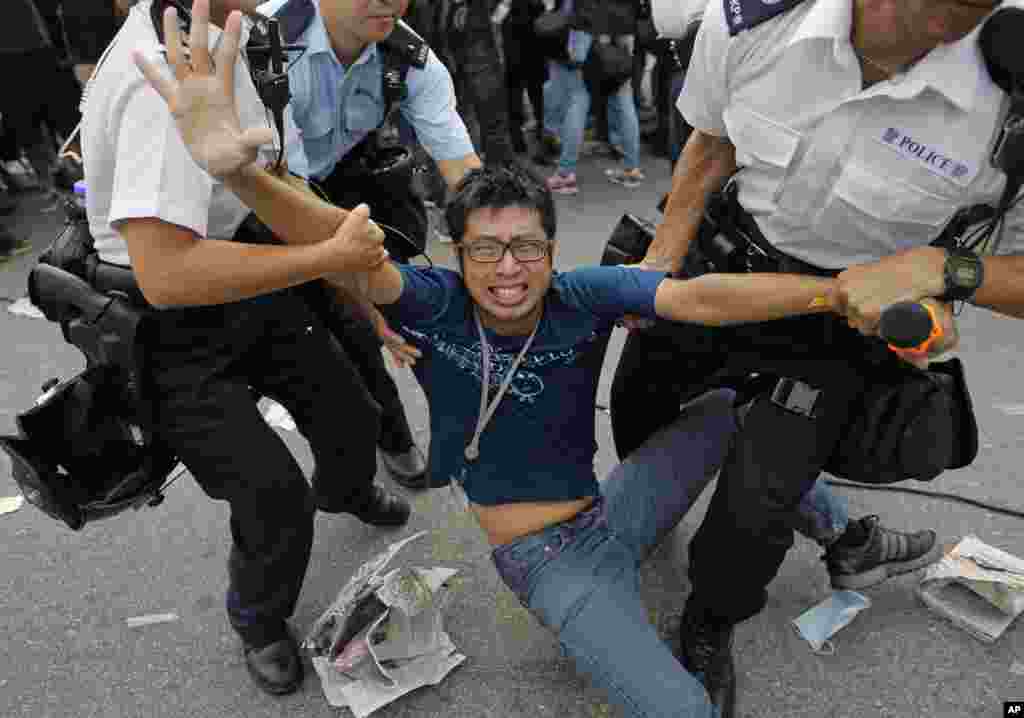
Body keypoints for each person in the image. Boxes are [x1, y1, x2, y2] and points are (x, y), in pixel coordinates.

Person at [133, 12, 903, 709]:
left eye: (528, 247)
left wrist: (834, 293)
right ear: (457, 253)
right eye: (486, 250)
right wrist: (239, 174)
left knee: (730, 414)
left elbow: (698, 300)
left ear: (551, 248)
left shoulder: (582, 294)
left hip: (613, 513)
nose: (509, 270)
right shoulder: (432, 304)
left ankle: (845, 538)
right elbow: (346, 244)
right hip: (551, 565)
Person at [609, 0, 1023, 714]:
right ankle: (668, 516)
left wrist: (944, 271)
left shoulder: (1012, 90)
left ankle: (711, 620)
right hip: (724, 275)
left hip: (841, 325)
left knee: (755, 504)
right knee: (640, 414)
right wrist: (659, 260)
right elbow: (712, 143)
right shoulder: (753, 21)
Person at [83, 0, 413, 695]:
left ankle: (347, 490)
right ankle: (259, 619)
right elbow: (168, 275)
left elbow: (271, 183)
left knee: (351, 415)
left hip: (248, 271)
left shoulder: (236, 35)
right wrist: (327, 256)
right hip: (168, 326)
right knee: (270, 495)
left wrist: (355, 279)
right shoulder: (154, 77)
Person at [258, 0, 485, 488]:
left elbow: (463, 170)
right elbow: (286, 190)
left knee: (415, 303)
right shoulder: (266, 45)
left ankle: (471, 423)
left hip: (353, 176)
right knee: (354, 328)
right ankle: (391, 436)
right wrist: (360, 292)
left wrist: (497, 245)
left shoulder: (408, 54)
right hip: (274, 190)